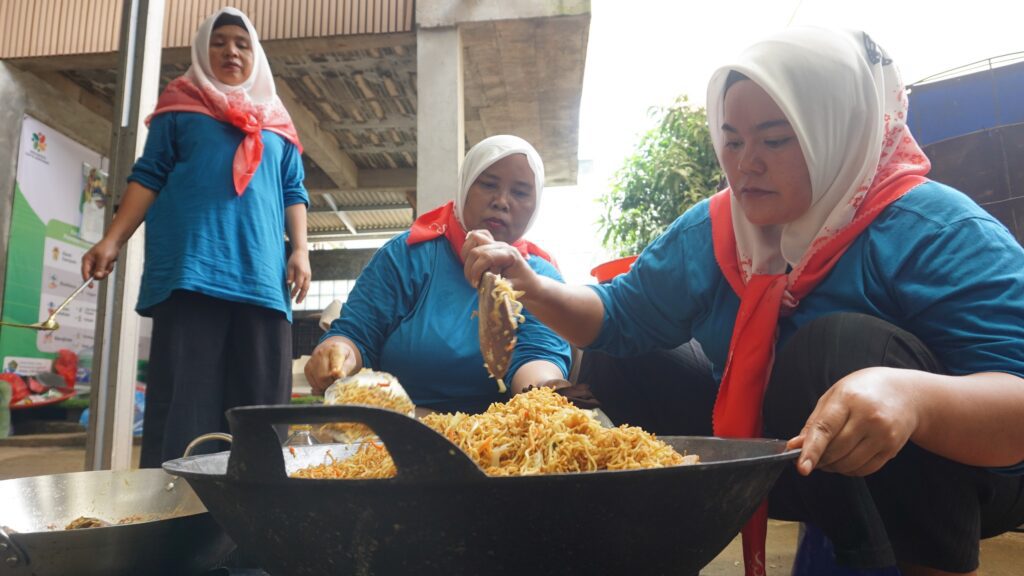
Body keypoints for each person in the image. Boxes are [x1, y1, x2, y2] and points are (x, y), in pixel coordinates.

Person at [462, 27, 1024, 576]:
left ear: (835, 130)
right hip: (798, 459)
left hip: (970, 476)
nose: (745, 162)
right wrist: (531, 285)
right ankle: (652, 556)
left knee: (838, 350)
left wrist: (912, 398)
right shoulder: (720, 229)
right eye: (732, 140)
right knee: (627, 359)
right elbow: (617, 315)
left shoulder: (933, 230)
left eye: (774, 140)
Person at [81, 7, 310, 467]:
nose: (231, 51)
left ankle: (258, 503)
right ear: (203, 52)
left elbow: (293, 190)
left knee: (262, 411)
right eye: (219, 42)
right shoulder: (180, 108)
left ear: (255, 55)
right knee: (186, 408)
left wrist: (301, 249)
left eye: (242, 44)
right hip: (193, 274)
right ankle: (178, 503)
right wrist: (113, 239)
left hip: (262, 281)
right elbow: (148, 175)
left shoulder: (277, 122)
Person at [304, 135, 571, 414]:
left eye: (521, 192)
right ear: (465, 186)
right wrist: (338, 353)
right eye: (489, 184)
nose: (502, 201)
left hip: (498, 433)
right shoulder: (408, 255)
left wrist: (545, 390)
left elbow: (538, 356)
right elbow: (358, 334)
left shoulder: (540, 280)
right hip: (401, 427)